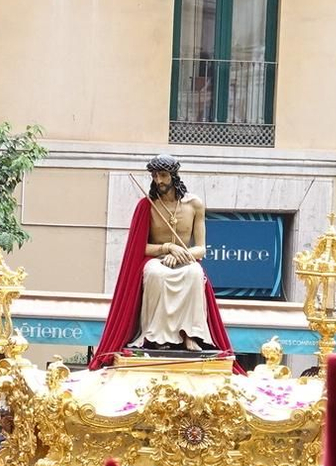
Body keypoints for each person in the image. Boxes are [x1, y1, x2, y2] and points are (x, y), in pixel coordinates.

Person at [91, 155, 235, 367]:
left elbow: (201, 248)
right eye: (155, 176)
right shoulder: (147, 206)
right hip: (156, 259)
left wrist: (181, 255)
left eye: (163, 175)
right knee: (156, 274)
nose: (159, 181)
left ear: (174, 176)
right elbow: (138, 248)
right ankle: (158, 337)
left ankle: (190, 335)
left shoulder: (194, 204)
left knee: (195, 274)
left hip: (185, 260)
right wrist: (168, 248)